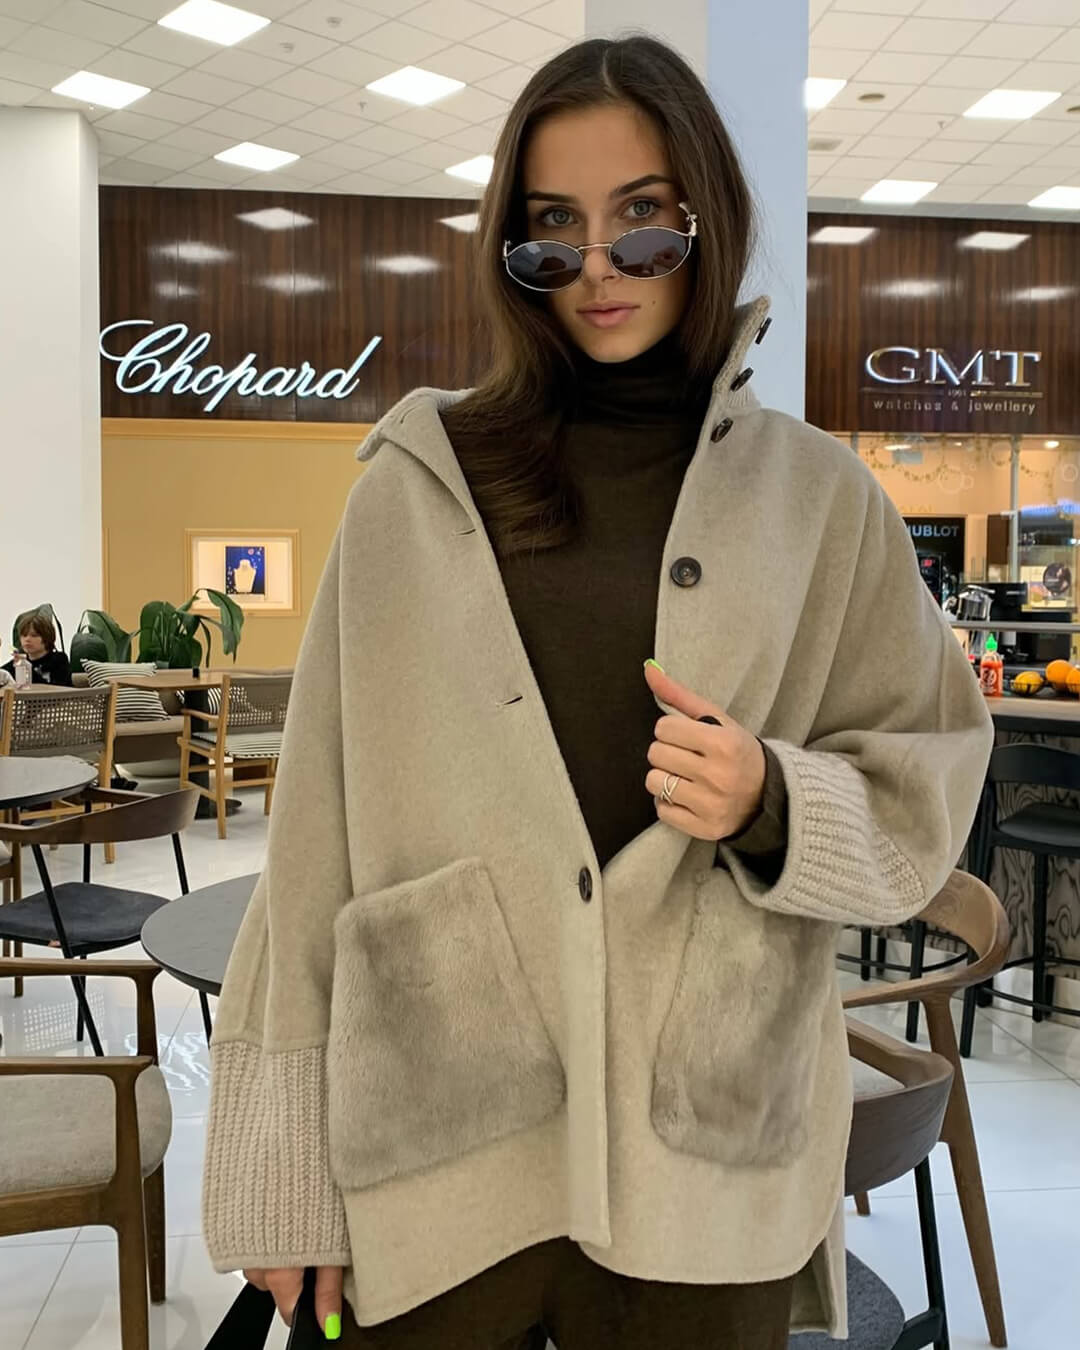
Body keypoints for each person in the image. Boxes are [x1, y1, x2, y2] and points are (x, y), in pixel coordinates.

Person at [202, 36, 993, 1350]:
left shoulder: (820, 503)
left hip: (707, 1154)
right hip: (441, 1139)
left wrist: (772, 798)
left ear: (706, 217)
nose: (598, 267)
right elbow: (312, 847)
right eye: (552, 229)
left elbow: (927, 783)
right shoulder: (414, 489)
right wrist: (285, 1175)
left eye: (642, 221)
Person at [2, 614, 72, 686]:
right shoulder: (18, 662)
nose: (27, 639)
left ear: (47, 637)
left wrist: (26, 669)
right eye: (24, 635)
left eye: (34, 635)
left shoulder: (59, 659)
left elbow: (57, 688)